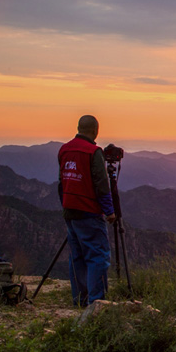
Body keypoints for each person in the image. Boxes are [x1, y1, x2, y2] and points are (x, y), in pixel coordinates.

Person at [58, 115, 116, 306]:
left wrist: (65, 205)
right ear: (95, 130)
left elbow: (61, 182)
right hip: (89, 213)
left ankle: (80, 301)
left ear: (78, 128)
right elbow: (102, 184)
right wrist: (109, 211)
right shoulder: (93, 152)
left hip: (70, 212)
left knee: (77, 258)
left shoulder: (64, 149)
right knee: (97, 257)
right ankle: (96, 303)